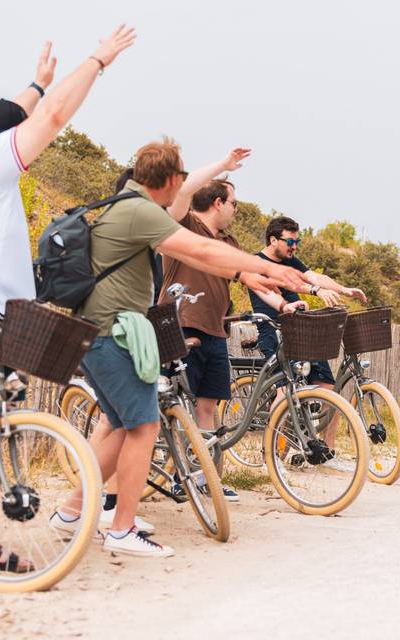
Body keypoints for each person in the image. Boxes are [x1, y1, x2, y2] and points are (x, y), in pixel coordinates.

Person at [0, 27, 136, 572]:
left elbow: (9, 115)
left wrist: (35, 84)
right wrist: (98, 61)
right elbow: (52, 120)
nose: (28, 157)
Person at [51, 139, 305, 558]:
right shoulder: (138, 212)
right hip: (111, 333)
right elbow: (201, 248)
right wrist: (269, 267)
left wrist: (248, 272)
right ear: (170, 180)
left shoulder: (131, 207)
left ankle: (72, 511)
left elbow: (202, 258)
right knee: (144, 426)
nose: (185, 186)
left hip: (98, 331)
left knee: (121, 425)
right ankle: (121, 528)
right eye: (181, 178)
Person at [157, 176, 251, 501]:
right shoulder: (187, 226)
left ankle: (202, 477)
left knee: (207, 406)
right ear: (217, 203)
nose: (236, 210)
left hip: (215, 331)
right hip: (180, 325)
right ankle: (174, 474)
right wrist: (223, 164)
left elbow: (249, 274)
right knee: (171, 405)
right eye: (234, 203)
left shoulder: (229, 242)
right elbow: (181, 193)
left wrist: (289, 295)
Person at [246, 216, 367, 462]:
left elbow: (313, 277)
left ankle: (327, 451)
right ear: (273, 239)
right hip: (272, 329)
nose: (294, 246)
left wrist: (343, 289)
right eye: (290, 241)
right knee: (283, 393)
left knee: (329, 390)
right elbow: (286, 284)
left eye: (297, 241)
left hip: (299, 329)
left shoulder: (291, 260)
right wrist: (314, 291)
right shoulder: (256, 262)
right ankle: (273, 458)